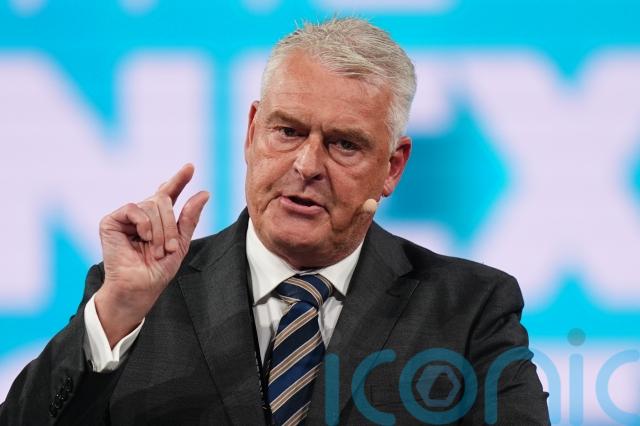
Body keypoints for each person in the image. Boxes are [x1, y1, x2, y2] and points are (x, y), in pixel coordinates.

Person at [0, 17, 550, 425]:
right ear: (251, 131)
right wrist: (117, 313)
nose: (307, 165)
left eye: (344, 144)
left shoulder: (468, 309)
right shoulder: (137, 297)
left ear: (392, 167)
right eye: (288, 132)